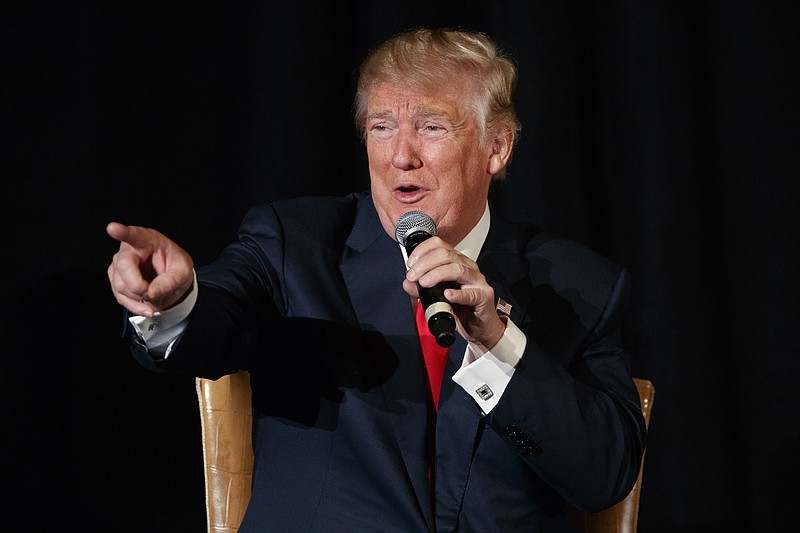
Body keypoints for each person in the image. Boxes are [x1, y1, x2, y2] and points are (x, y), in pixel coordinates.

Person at [107, 28, 646, 532]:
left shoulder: (579, 287)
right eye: (381, 127)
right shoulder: (296, 243)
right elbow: (215, 323)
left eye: (432, 127)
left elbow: (604, 476)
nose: (400, 157)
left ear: (497, 147)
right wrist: (172, 303)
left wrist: (498, 343)